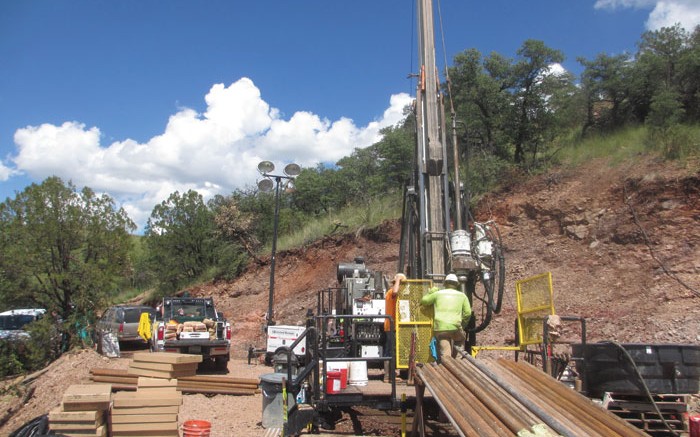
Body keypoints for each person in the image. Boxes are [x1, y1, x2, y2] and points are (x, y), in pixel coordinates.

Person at [420, 273, 471, 360]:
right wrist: (463, 324)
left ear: (445, 283)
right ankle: (458, 361)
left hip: (441, 328)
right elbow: (468, 313)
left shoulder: (438, 294)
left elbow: (424, 301)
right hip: (456, 327)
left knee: (446, 353)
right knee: (460, 340)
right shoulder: (462, 296)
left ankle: (447, 364)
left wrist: (431, 292)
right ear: (456, 284)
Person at [383, 273, 406, 382]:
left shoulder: (392, 294)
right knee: (391, 350)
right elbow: (396, 291)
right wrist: (398, 279)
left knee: (392, 349)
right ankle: (389, 376)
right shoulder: (392, 292)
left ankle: (390, 375)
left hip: (393, 326)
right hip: (392, 326)